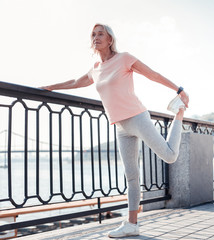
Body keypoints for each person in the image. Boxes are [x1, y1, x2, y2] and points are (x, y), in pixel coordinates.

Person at [40, 23, 189, 238]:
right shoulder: (95, 69)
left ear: (110, 40)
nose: (96, 37)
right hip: (120, 126)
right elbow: (76, 81)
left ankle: (179, 114)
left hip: (138, 117)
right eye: (93, 34)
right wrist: (51, 87)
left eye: (101, 34)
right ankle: (132, 224)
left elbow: (152, 75)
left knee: (170, 156)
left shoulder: (124, 59)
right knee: (131, 176)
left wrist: (179, 90)